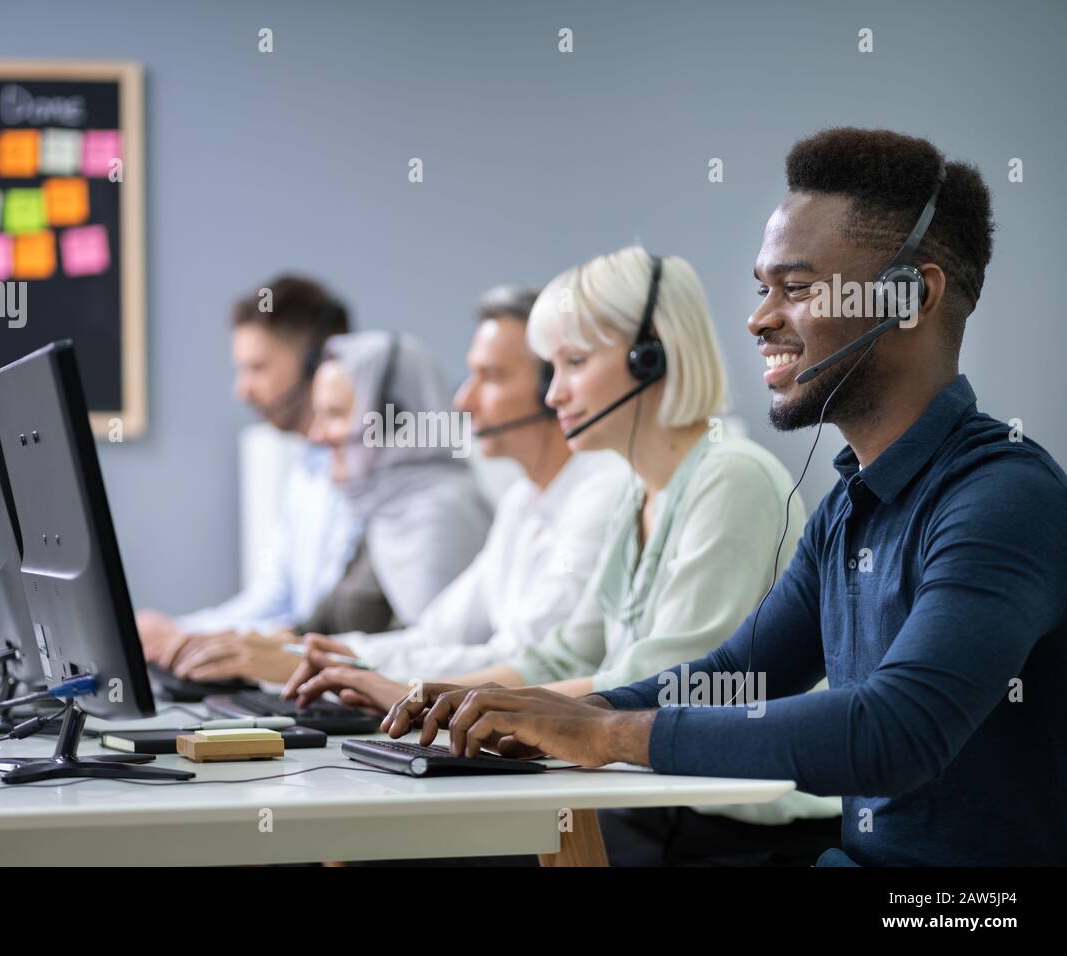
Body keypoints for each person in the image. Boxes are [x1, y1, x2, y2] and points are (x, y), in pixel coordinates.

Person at [382, 128, 1067, 867]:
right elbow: (736, 672)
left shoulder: (1005, 497)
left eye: (796, 288)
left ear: (911, 296)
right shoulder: (848, 508)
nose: (759, 318)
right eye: (762, 287)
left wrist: (607, 737)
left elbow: (894, 731)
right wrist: (573, 711)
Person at [291, 246, 841, 864]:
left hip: (732, 831)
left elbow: (670, 684)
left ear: (651, 358)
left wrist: (505, 711)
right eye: (551, 368)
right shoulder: (637, 487)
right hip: (645, 802)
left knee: (387, 851)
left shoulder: (731, 479)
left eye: (574, 363)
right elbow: (566, 654)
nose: (553, 395)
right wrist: (438, 696)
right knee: (373, 840)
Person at [186, 286, 628, 689]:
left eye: (490, 376)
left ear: (550, 387)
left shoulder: (598, 495)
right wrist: (321, 658)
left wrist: (340, 669)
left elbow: (525, 662)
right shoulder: (522, 502)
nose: (462, 400)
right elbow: (436, 633)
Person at [156, 330, 495, 682]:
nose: (316, 435)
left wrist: (302, 659)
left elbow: (435, 660)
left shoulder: (443, 511)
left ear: (395, 420)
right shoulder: (387, 507)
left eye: (334, 414)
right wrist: (233, 645)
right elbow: (318, 624)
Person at [136, 275, 360, 660]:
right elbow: (275, 598)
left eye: (258, 368)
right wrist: (180, 632)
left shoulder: (364, 472)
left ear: (315, 362)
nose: (242, 390)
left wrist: (191, 636)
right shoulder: (305, 467)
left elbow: (327, 622)